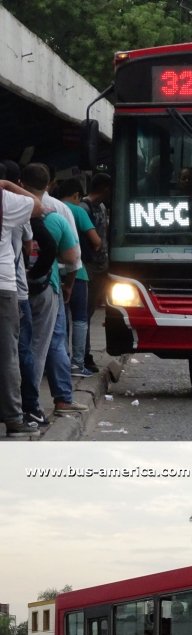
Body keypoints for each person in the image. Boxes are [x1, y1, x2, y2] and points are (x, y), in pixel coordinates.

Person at [21, 163, 88, 417]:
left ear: (20, 181)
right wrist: (67, 284)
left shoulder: (12, 210)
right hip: (47, 286)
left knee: (17, 346)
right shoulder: (58, 213)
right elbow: (73, 258)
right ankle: (44, 402)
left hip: (15, 287)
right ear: (49, 184)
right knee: (46, 344)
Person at [1, 175, 43, 438]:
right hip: (3, 285)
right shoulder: (4, 198)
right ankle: (14, 417)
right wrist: (6, 184)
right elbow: (37, 206)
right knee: (7, 355)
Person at [59, 177, 101, 377]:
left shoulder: (50, 207)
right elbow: (96, 240)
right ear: (76, 195)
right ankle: (77, 364)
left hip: (54, 271)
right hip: (78, 271)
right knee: (80, 318)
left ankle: (59, 361)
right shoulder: (78, 211)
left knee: (61, 318)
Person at [79, 172, 111, 373]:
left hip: (101, 267)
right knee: (85, 312)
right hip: (90, 267)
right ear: (106, 189)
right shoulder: (84, 208)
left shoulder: (100, 207)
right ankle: (83, 354)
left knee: (90, 312)